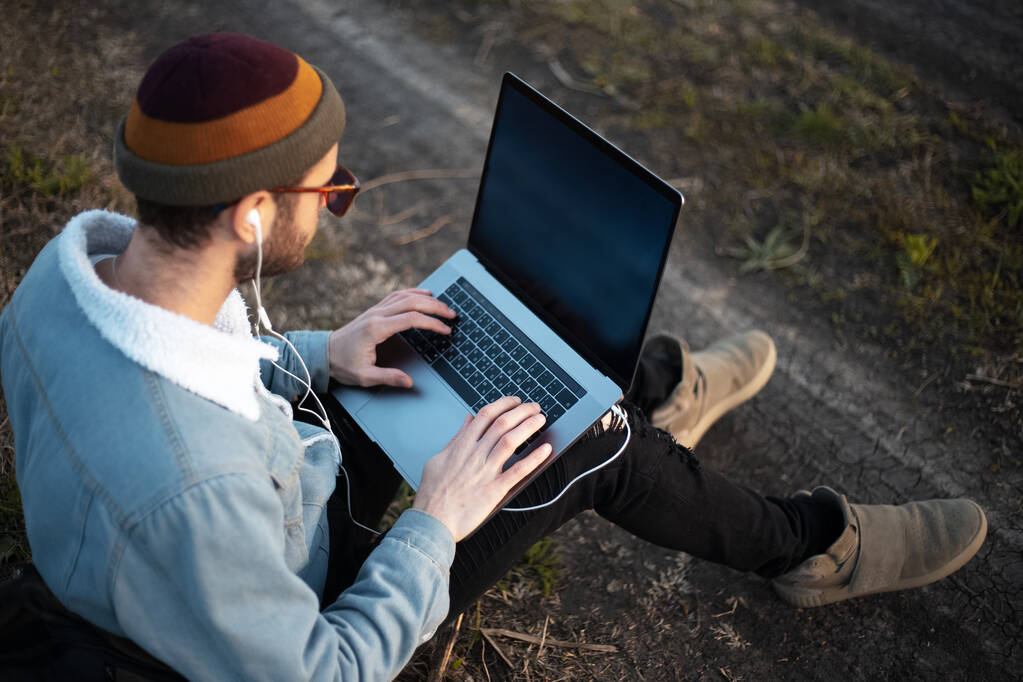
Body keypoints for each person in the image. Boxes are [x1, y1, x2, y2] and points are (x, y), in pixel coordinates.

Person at [0, 33, 987, 681]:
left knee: (455, 341)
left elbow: (189, 375)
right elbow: (323, 669)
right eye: (328, 190)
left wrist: (317, 355)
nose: (338, 198)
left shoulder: (70, 275)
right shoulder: (194, 497)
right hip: (274, 601)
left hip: (245, 512)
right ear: (253, 214)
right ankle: (811, 544)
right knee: (588, 444)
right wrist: (433, 522)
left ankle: (647, 387)